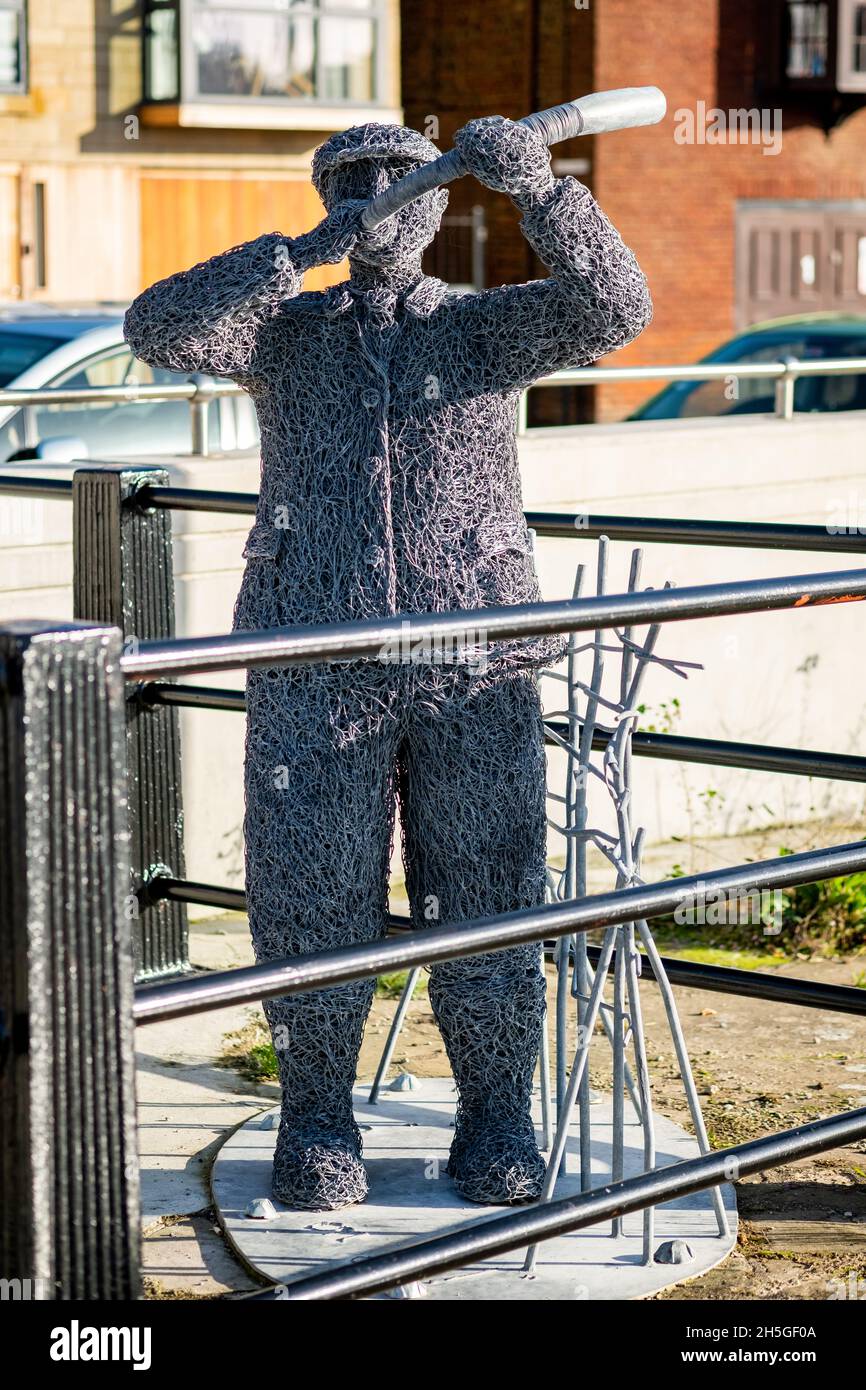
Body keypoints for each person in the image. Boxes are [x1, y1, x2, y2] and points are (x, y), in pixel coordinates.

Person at [124, 114, 652, 1210]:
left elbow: (616, 308)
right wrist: (292, 255)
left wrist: (542, 194)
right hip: (313, 645)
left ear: (443, 203)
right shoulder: (282, 331)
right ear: (329, 199)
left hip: (475, 654)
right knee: (310, 887)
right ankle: (315, 1118)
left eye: (405, 181)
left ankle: (495, 1112)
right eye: (352, 182)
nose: (379, 197)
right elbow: (155, 327)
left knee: (490, 884)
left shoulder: (478, 330)